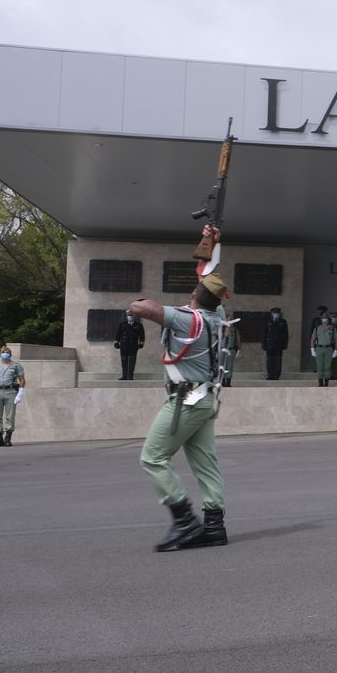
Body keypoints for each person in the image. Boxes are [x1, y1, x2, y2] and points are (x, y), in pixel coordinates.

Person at [127, 229, 230, 551]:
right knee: (205, 464)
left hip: (186, 400)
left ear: (194, 294)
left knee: (153, 457)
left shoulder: (188, 319)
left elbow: (139, 308)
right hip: (205, 399)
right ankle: (214, 527)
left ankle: (184, 520)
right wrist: (211, 241)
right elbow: (207, 280)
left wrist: (145, 303)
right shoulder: (217, 316)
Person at [0, 347, 25, 446]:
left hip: (10, 392)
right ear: (0, 354)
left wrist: (20, 393)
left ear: (10, 354)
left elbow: (22, 379)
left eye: (7, 352)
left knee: (10, 415)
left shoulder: (16, 365)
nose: (5, 354)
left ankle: (8, 438)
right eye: (3, 352)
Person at [114, 313, 145, 380]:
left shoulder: (138, 325)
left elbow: (142, 335)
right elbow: (118, 334)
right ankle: (124, 376)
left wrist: (141, 343)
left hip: (133, 346)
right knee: (124, 361)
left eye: (131, 316)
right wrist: (116, 342)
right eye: (129, 316)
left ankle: (130, 376)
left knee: (132, 361)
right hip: (123, 346)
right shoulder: (122, 324)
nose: (130, 317)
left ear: (134, 317)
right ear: (127, 316)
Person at [262, 307, 289, 381]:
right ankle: (270, 375)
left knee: (278, 361)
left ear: (279, 313)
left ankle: (277, 375)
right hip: (269, 344)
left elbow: (286, 334)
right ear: (271, 313)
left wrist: (285, 344)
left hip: (279, 344)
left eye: (277, 313)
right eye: (274, 313)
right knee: (270, 360)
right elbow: (264, 333)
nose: (276, 314)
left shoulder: (283, 322)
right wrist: (264, 344)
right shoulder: (268, 321)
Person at [310, 312, 336, 387]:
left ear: (328, 319)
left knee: (327, 366)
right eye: (323, 318)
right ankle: (320, 382)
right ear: (321, 319)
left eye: (326, 318)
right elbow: (313, 338)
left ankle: (326, 382)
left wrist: (336, 350)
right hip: (319, 348)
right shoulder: (317, 328)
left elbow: (336, 339)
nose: (324, 319)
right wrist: (312, 349)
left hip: (329, 349)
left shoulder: (332, 328)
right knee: (319, 366)